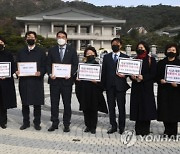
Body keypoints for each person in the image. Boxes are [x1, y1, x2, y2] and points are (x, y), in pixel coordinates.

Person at [47, 31, 79, 132]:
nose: (61, 38)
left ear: (66, 39)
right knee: (54, 103)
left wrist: (70, 73)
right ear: (56, 38)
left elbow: (75, 64)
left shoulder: (72, 50)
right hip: (54, 81)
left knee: (67, 103)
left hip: (67, 82)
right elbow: (48, 64)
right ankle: (54, 123)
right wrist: (49, 74)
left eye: (63, 37)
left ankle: (66, 124)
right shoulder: (52, 50)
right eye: (59, 37)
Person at [16, 31, 46, 131]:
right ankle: (26, 122)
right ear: (26, 39)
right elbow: (17, 64)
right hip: (24, 81)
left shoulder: (41, 51)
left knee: (37, 104)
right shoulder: (21, 51)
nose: (30, 38)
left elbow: (44, 66)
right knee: (25, 103)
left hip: (36, 81)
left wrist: (40, 72)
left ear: (35, 39)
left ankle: (37, 123)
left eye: (32, 37)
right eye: (28, 37)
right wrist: (17, 71)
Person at [76, 46, 108, 134]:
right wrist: (77, 79)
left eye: (91, 53)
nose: (89, 55)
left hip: (94, 91)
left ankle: (93, 126)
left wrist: (97, 82)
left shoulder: (98, 65)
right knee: (85, 108)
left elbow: (102, 80)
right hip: (84, 90)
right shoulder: (82, 65)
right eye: (88, 53)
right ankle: (87, 125)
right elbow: (77, 77)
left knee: (94, 109)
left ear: (95, 54)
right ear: (85, 55)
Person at [102, 38, 130, 134]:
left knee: (121, 107)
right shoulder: (106, 57)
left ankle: (122, 127)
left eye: (116, 44)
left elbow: (129, 72)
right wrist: (103, 86)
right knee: (111, 107)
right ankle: (113, 125)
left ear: (120, 45)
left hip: (120, 86)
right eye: (113, 44)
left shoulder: (125, 57)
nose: (114, 45)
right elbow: (104, 72)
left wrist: (125, 75)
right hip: (109, 86)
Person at [130, 41, 157, 136]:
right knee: (137, 107)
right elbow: (130, 72)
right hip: (136, 87)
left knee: (146, 108)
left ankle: (145, 129)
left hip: (146, 88)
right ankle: (138, 129)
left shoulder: (151, 59)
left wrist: (144, 77)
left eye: (142, 47)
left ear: (146, 48)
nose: (140, 49)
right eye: (139, 47)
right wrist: (131, 77)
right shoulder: (134, 59)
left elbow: (153, 73)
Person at [156, 43, 180, 137]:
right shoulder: (161, 63)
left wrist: (177, 85)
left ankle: (173, 131)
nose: (171, 52)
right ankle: (167, 130)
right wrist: (160, 80)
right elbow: (156, 76)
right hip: (164, 91)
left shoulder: (179, 63)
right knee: (164, 111)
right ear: (166, 51)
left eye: (173, 50)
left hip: (176, 92)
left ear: (176, 52)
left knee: (175, 111)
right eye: (169, 50)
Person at [0, 36, 17, 129]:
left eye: (1, 42)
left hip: (5, 81)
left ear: (4, 44)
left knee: (3, 102)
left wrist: (6, 74)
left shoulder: (8, 54)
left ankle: (3, 121)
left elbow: (13, 67)